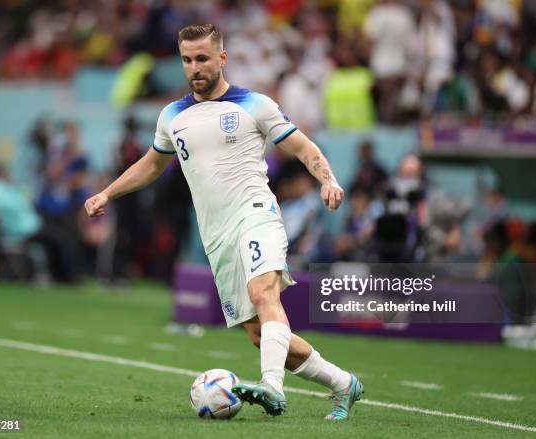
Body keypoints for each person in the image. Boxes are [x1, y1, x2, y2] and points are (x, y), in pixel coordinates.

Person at [84, 24, 363, 420]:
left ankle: (272, 386)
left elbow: (303, 147)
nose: (194, 67)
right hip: (215, 235)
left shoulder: (255, 104)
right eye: (186, 60)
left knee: (265, 293)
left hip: (256, 214)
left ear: (222, 58)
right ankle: (343, 383)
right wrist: (107, 193)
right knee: (257, 332)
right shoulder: (172, 115)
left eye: (202, 58)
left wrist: (328, 180)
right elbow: (151, 165)